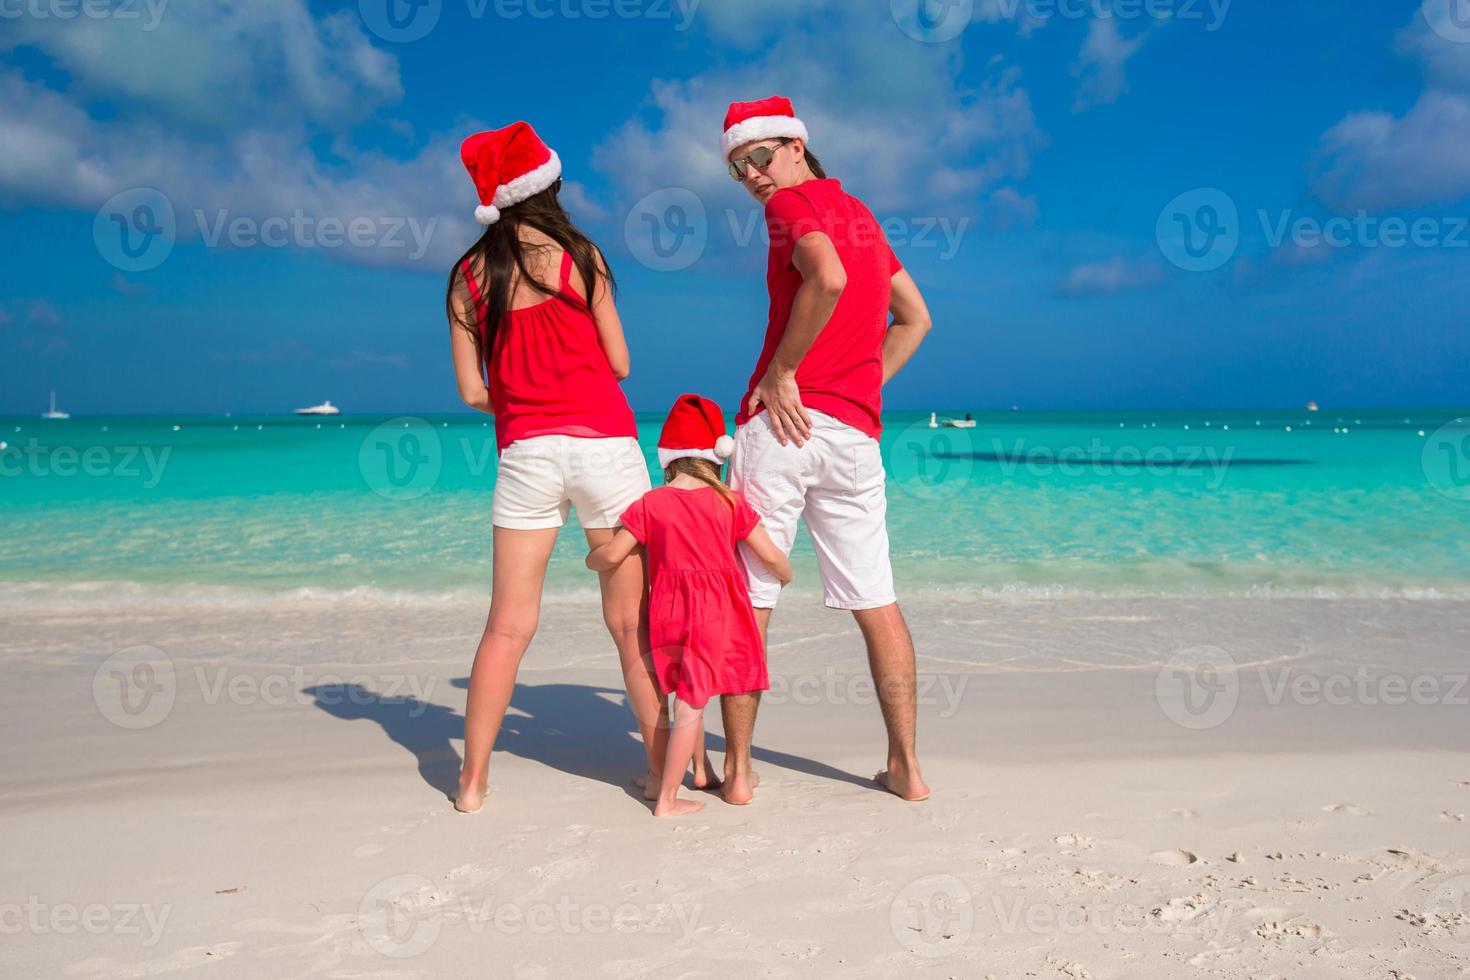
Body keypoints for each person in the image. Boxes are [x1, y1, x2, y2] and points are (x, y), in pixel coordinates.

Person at [717, 96, 935, 804]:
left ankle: (741, 771)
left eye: (758, 157)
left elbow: (828, 277)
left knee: (750, 595)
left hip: (782, 427)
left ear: (795, 145)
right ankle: (905, 768)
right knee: (878, 600)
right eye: (736, 167)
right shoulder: (865, 215)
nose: (750, 175)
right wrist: (861, 383)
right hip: (853, 435)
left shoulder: (789, 207)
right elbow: (916, 317)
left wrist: (783, 372)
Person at [445, 121, 665, 812]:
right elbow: (622, 365)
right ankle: (664, 775)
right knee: (632, 625)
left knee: (507, 626)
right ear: (549, 184)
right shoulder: (581, 253)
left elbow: (473, 392)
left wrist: (527, 402)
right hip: (605, 446)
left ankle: (472, 782)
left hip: (527, 453)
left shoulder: (467, 276)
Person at [587, 395, 792, 816]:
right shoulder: (728, 502)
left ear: (669, 458)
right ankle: (665, 798)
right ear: (716, 458)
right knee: (691, 705)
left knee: (685, 689)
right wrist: (787, 576)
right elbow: (769, 555)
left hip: (668, 612)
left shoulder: (651, 503)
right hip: (715, 613)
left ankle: (701, 770)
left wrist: (591, 560)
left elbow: (611, 555)